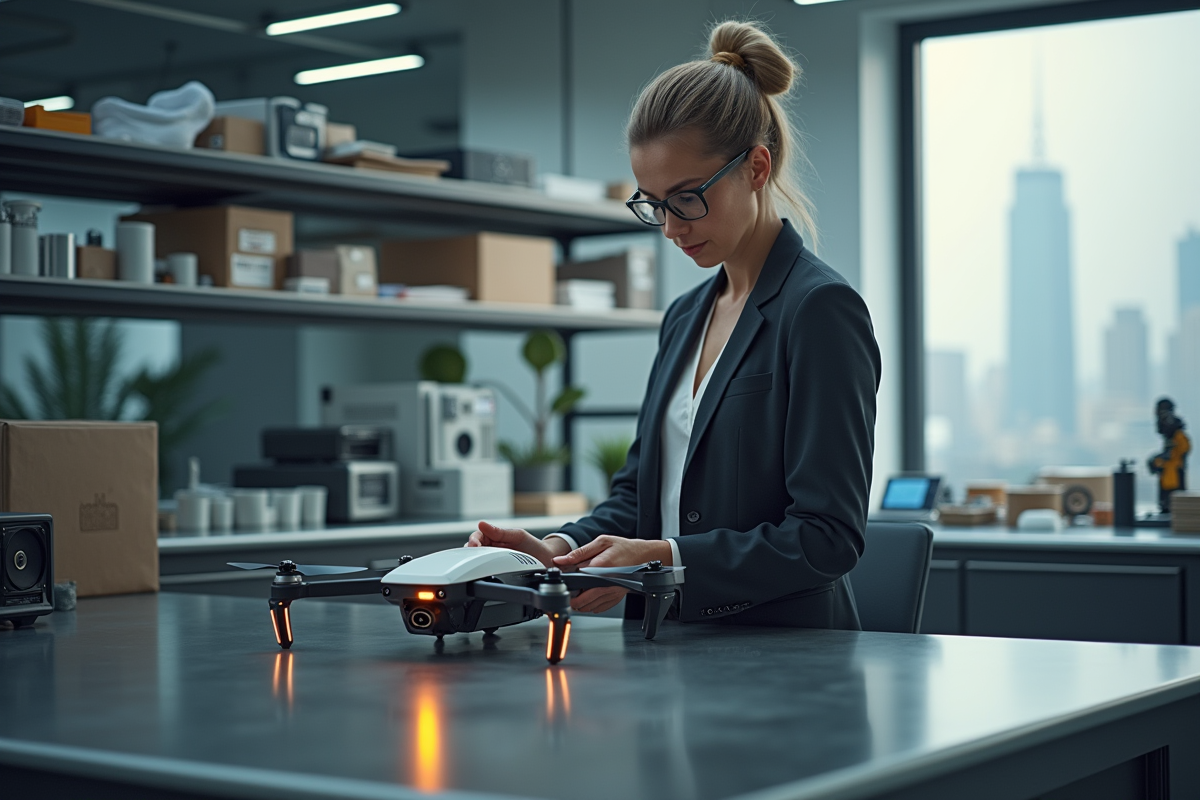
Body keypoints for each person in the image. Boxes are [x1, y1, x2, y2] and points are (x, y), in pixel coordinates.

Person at [468, 20, 881, 629]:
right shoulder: (685, 316)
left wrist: (667, 560)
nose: (670, 227)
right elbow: (639, 495)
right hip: (666, 646)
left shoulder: (819, 309)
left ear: (757, 168)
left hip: (785, 656)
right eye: (654, 203)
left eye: (687, 198)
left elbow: (827, 537)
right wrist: (557, 551)